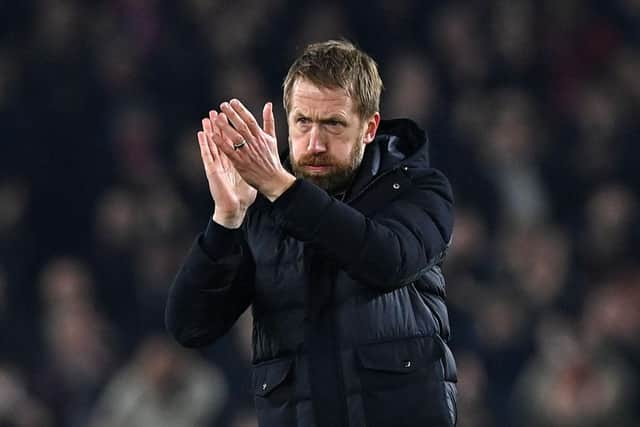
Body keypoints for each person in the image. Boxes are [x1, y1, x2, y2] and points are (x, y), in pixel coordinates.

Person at [165, 40, 457, 427]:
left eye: (333, 124)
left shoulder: (418, 190)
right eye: (303, 122)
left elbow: (387, 261)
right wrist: (226, 218)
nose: (315, 144)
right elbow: (190, 327)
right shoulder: (262, 209)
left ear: (369, 127)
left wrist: (282, 189)